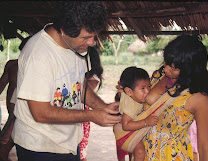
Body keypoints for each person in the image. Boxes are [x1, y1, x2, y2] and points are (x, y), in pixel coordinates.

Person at [11, 2, 121, 161]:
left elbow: (80, 86)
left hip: (68, 142)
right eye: (86, 37)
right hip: (39, 146)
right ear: (64, 31)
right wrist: (92, 115)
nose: (91, 42)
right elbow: (40, 113)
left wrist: (104, 108)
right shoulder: (39, 54)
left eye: (93, 36)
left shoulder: (77, 47)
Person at [143, 35, 208, 161]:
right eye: (166, 62)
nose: (166, 69)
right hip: (144, 153)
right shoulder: (157, 77)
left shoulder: (199, 98)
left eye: (174, 67)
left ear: (190, 69)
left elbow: (204, 146)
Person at [114, 66, 159, 161]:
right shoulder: (130, 105)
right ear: (129, 91)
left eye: (149, 86)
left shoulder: (132, 95)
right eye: (142, 88)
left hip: (130, 132)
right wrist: (146, 122)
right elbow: (126, 125)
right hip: (125, 133)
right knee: (140, 152)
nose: (147, 91)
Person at [79, 46, 104, 161]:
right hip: (77, 115)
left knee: (81, 152)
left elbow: (82, 95)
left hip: (82, 119)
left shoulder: (93, 79)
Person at [0, 59, 18, 161]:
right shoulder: (12, 65)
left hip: (22, 116)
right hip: (13, 115)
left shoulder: (39, 67)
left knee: (4, 146)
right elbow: (1, 84)